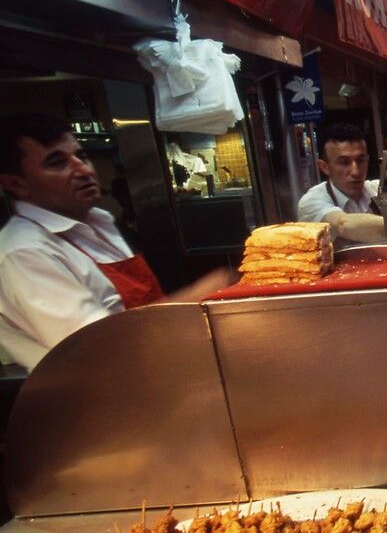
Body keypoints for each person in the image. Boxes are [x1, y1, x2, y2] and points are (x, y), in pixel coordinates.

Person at [0, 113, 231, 370]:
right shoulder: (25, 252)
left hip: (154, 373)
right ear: (17, 184)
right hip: (102, 400)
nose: (83, 170)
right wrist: (193, 297)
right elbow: (97, 347)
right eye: (57, 163)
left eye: (82, 156)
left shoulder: (98, 223)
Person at [297, 123, 385, 243]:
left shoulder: (374, 189)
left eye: (361, 160)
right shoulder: (311, 201)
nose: (355, 171)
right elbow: (342, 224)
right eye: (344, 162)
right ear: (324, 167)